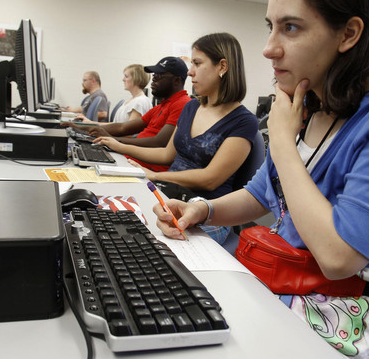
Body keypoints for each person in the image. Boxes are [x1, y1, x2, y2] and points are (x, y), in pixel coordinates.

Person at [153, 0, 369, 359]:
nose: (269, 47)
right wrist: (203, 210)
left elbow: (339, 256)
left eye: (290, 28)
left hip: (331, 313)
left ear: (349, 34)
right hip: (275, 283)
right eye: (270, 26)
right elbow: (260, 194)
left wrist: (284, 141)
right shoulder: (307, 102)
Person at [95, 33, 258, 244]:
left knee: (138, 246)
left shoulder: (243, 121)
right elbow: (166, 154)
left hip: (206, 213)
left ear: (222, 67)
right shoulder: (191, 107)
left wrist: (154, 176)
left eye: (197, 64)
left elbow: (211, 178)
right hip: (170, 196)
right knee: (108, 224)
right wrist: (119, 146)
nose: (190, 72)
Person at [70, 57, 191, 172]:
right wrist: (86, 129)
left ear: (177, 80)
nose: (153, 79)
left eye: (159, 76)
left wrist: (114, 141)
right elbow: (124, 127)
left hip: (146, 167)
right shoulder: (161, 106)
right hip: (130, 158)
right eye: (154, 75)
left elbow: (159, 142)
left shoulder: (182, 104)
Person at [75, 64, 151, 124]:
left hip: (120, 141)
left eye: (126, 76)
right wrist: (91, 123)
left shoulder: (140, 102)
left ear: (136, 79)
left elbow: (129, 133)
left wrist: (103, 133)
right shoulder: (130, 101)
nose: (123, 79)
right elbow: (115, 125)